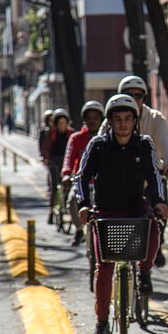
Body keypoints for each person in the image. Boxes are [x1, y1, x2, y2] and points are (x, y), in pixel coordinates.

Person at [76, 94, 168, 334]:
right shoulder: (98, 146)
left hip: (135, 208)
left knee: (153, 228)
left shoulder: (145, 144)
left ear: (135, 121)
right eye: (117, 119)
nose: (123, 124)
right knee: (104, 269)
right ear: (110, 122)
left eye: (128, 119)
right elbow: (81, 177)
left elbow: (154, 176)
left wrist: (159, 202)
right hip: (105, 212)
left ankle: (145, 272)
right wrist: (84, 205)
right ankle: (102, 323)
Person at [99, 75, 168, 267]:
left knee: (159, 212)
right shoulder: (111, 120)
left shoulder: (155, 118)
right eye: (128, 94)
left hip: (150, 178)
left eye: (139, 95)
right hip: (120, 181)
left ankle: (153, 253)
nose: (134, 98)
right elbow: (99, 145)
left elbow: (166, 143)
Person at [61, 100, 105, 246]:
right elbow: (69, 157)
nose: (92, 121)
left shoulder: (106, 139)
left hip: (102, 184)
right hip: (82, 182)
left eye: (96, 118)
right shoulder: (76, 138)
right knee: (72, 200)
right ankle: (79, 229)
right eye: (89, 118)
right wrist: (67, 173)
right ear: (84, 119)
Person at [42, 108, 75, 224]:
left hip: (67, 163)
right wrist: (46, 159)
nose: (62, 125)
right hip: (54, 162)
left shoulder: (71, 133)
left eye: (64, 123)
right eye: (60, 123)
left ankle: (68, 210)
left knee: (69, 187)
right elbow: (46, 148)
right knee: (55, 187)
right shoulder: (52, 134)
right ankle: (51, 212)